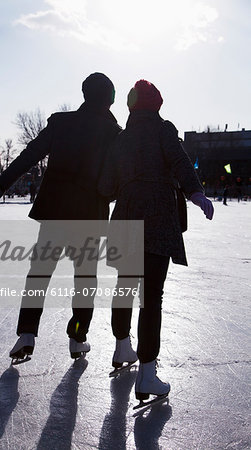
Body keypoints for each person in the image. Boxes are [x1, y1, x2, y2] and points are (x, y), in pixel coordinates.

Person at [0, 73, 122, 362]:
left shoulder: (61, 123)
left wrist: (1, 184)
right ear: (109, 98)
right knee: (85, 279)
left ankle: (27, 333)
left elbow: (30, 155)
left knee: (40, 272)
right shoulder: (113, 133)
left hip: (55, 212)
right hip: (89, 216)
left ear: (84, 95)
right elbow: (120, 177)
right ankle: (76, 337)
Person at [99, 80, 214, 401]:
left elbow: (106, 185)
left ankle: (123, 346)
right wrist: (195, 191)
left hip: (125, 216)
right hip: (158, 217)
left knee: (124, 285)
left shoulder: (120, 139)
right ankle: (147, 374)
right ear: (157, 105)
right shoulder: (164, 130)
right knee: (151, 295)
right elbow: (179, 161)